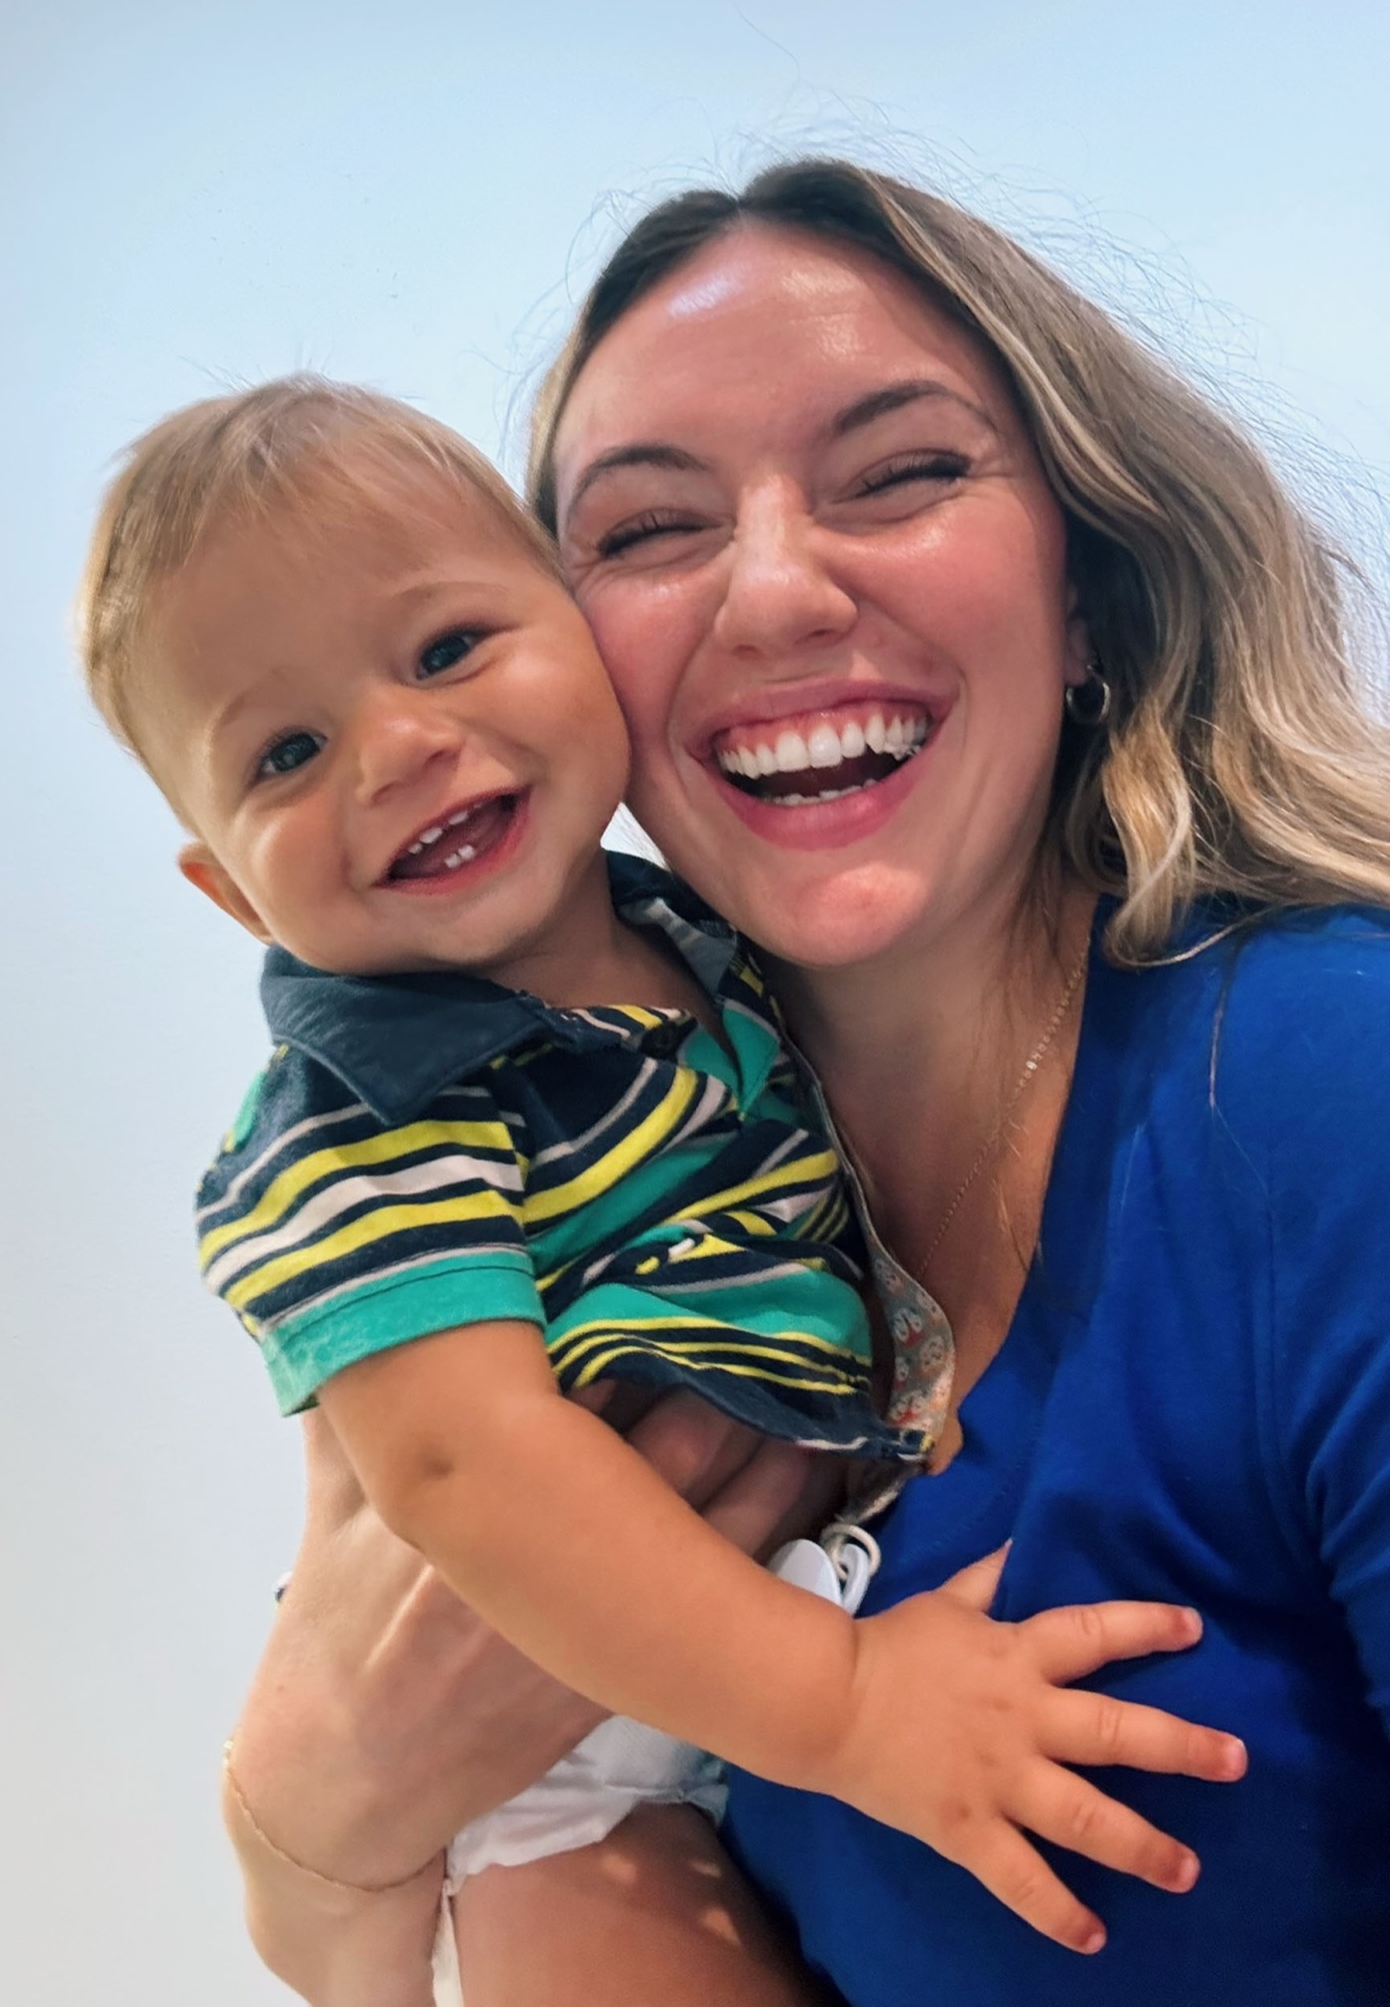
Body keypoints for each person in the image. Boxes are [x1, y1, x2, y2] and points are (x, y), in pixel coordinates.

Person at [209, 155, 1390, 2007]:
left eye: (903, 472)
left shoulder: (1334, 1094)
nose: (772, 591)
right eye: (652, 527)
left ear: (1092, 586)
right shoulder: (607, 1139)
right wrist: (300, 1804)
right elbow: (356, 1903)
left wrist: (326, 1822)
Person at [74, 375, 1242, 2002]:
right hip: (563, 1764)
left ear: (578, 628)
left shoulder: (705, 943)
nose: (400, 746)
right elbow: (466, 1471)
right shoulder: (362, 1109)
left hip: (807, 1602)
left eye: (445, 649)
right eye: (283, 749)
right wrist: (841, 1703)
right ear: (222, 881)